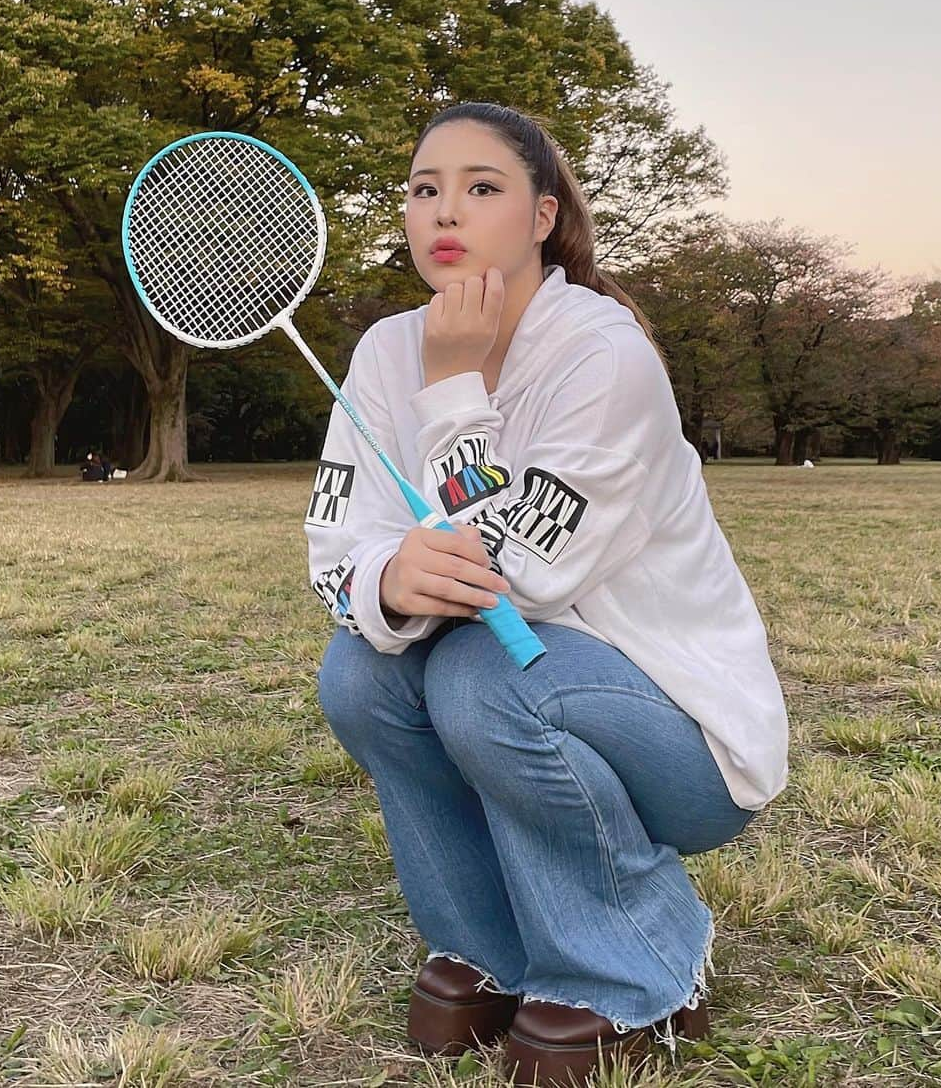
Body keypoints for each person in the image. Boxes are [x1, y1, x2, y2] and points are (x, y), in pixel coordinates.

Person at [305, 103, 788, 1088]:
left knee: (483, 675)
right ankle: (487, 949)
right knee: (359, 673)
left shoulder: (602, 353)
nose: (447, 211)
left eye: (482, 187)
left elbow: (517, 575)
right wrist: (385, 578)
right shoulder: (382, 353)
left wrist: (452, 388)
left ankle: (639, 965)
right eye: (423, 188)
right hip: (507, 678)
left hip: (684, 736)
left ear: (540, 217)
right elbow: (335, 544)